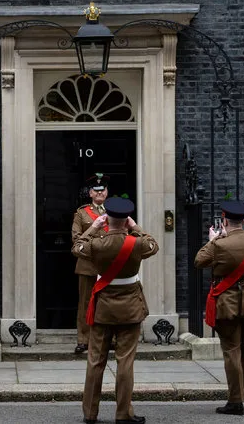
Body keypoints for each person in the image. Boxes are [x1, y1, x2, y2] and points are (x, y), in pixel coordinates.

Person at [72, 197, 158, 424]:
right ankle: (123, 414)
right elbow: (153, 244)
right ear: (126, 220)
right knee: (125, 362)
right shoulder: (137, 243)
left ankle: (90, 413)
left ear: (107, 219)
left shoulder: (97, 244)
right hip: (130, 307)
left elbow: (77, 247)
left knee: (95, 361)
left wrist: (93, 227)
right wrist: (135, 227)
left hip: (103, 308)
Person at [194, 201, 244, 415]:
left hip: (228, 302)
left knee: (232, 350)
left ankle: (235, 401)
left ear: (224, 221)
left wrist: (213, 240)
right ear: (243, 220)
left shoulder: (219, 244)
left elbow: (199, 261)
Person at [71, 173, 110, 354]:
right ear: (90, 193)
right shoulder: (82, 213)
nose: (100, 193)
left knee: (109, 302)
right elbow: (76, 238)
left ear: (107, 193)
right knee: (86, 303)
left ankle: (110, 339)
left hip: (110, 266)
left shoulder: (114, 211)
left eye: (103, 190)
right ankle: (83, 339)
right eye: (96, 190)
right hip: (87, 265)